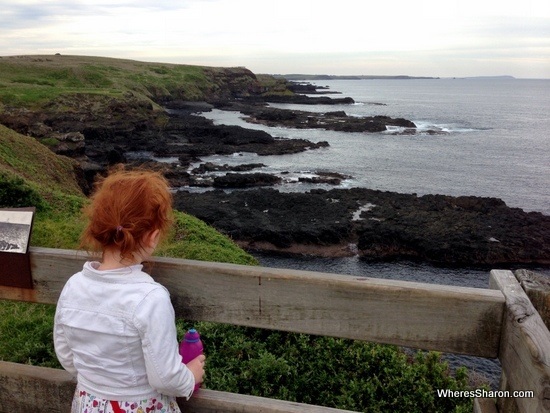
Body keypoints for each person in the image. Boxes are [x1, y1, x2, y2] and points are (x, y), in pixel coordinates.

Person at [53, 168, 205, 413]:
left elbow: (66, 354)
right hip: (139, 406)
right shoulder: (150, 297)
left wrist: (99, 381)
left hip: (88, 402)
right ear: (152, 237)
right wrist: (190, 375)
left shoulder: (73, 285)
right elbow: (164, 377)